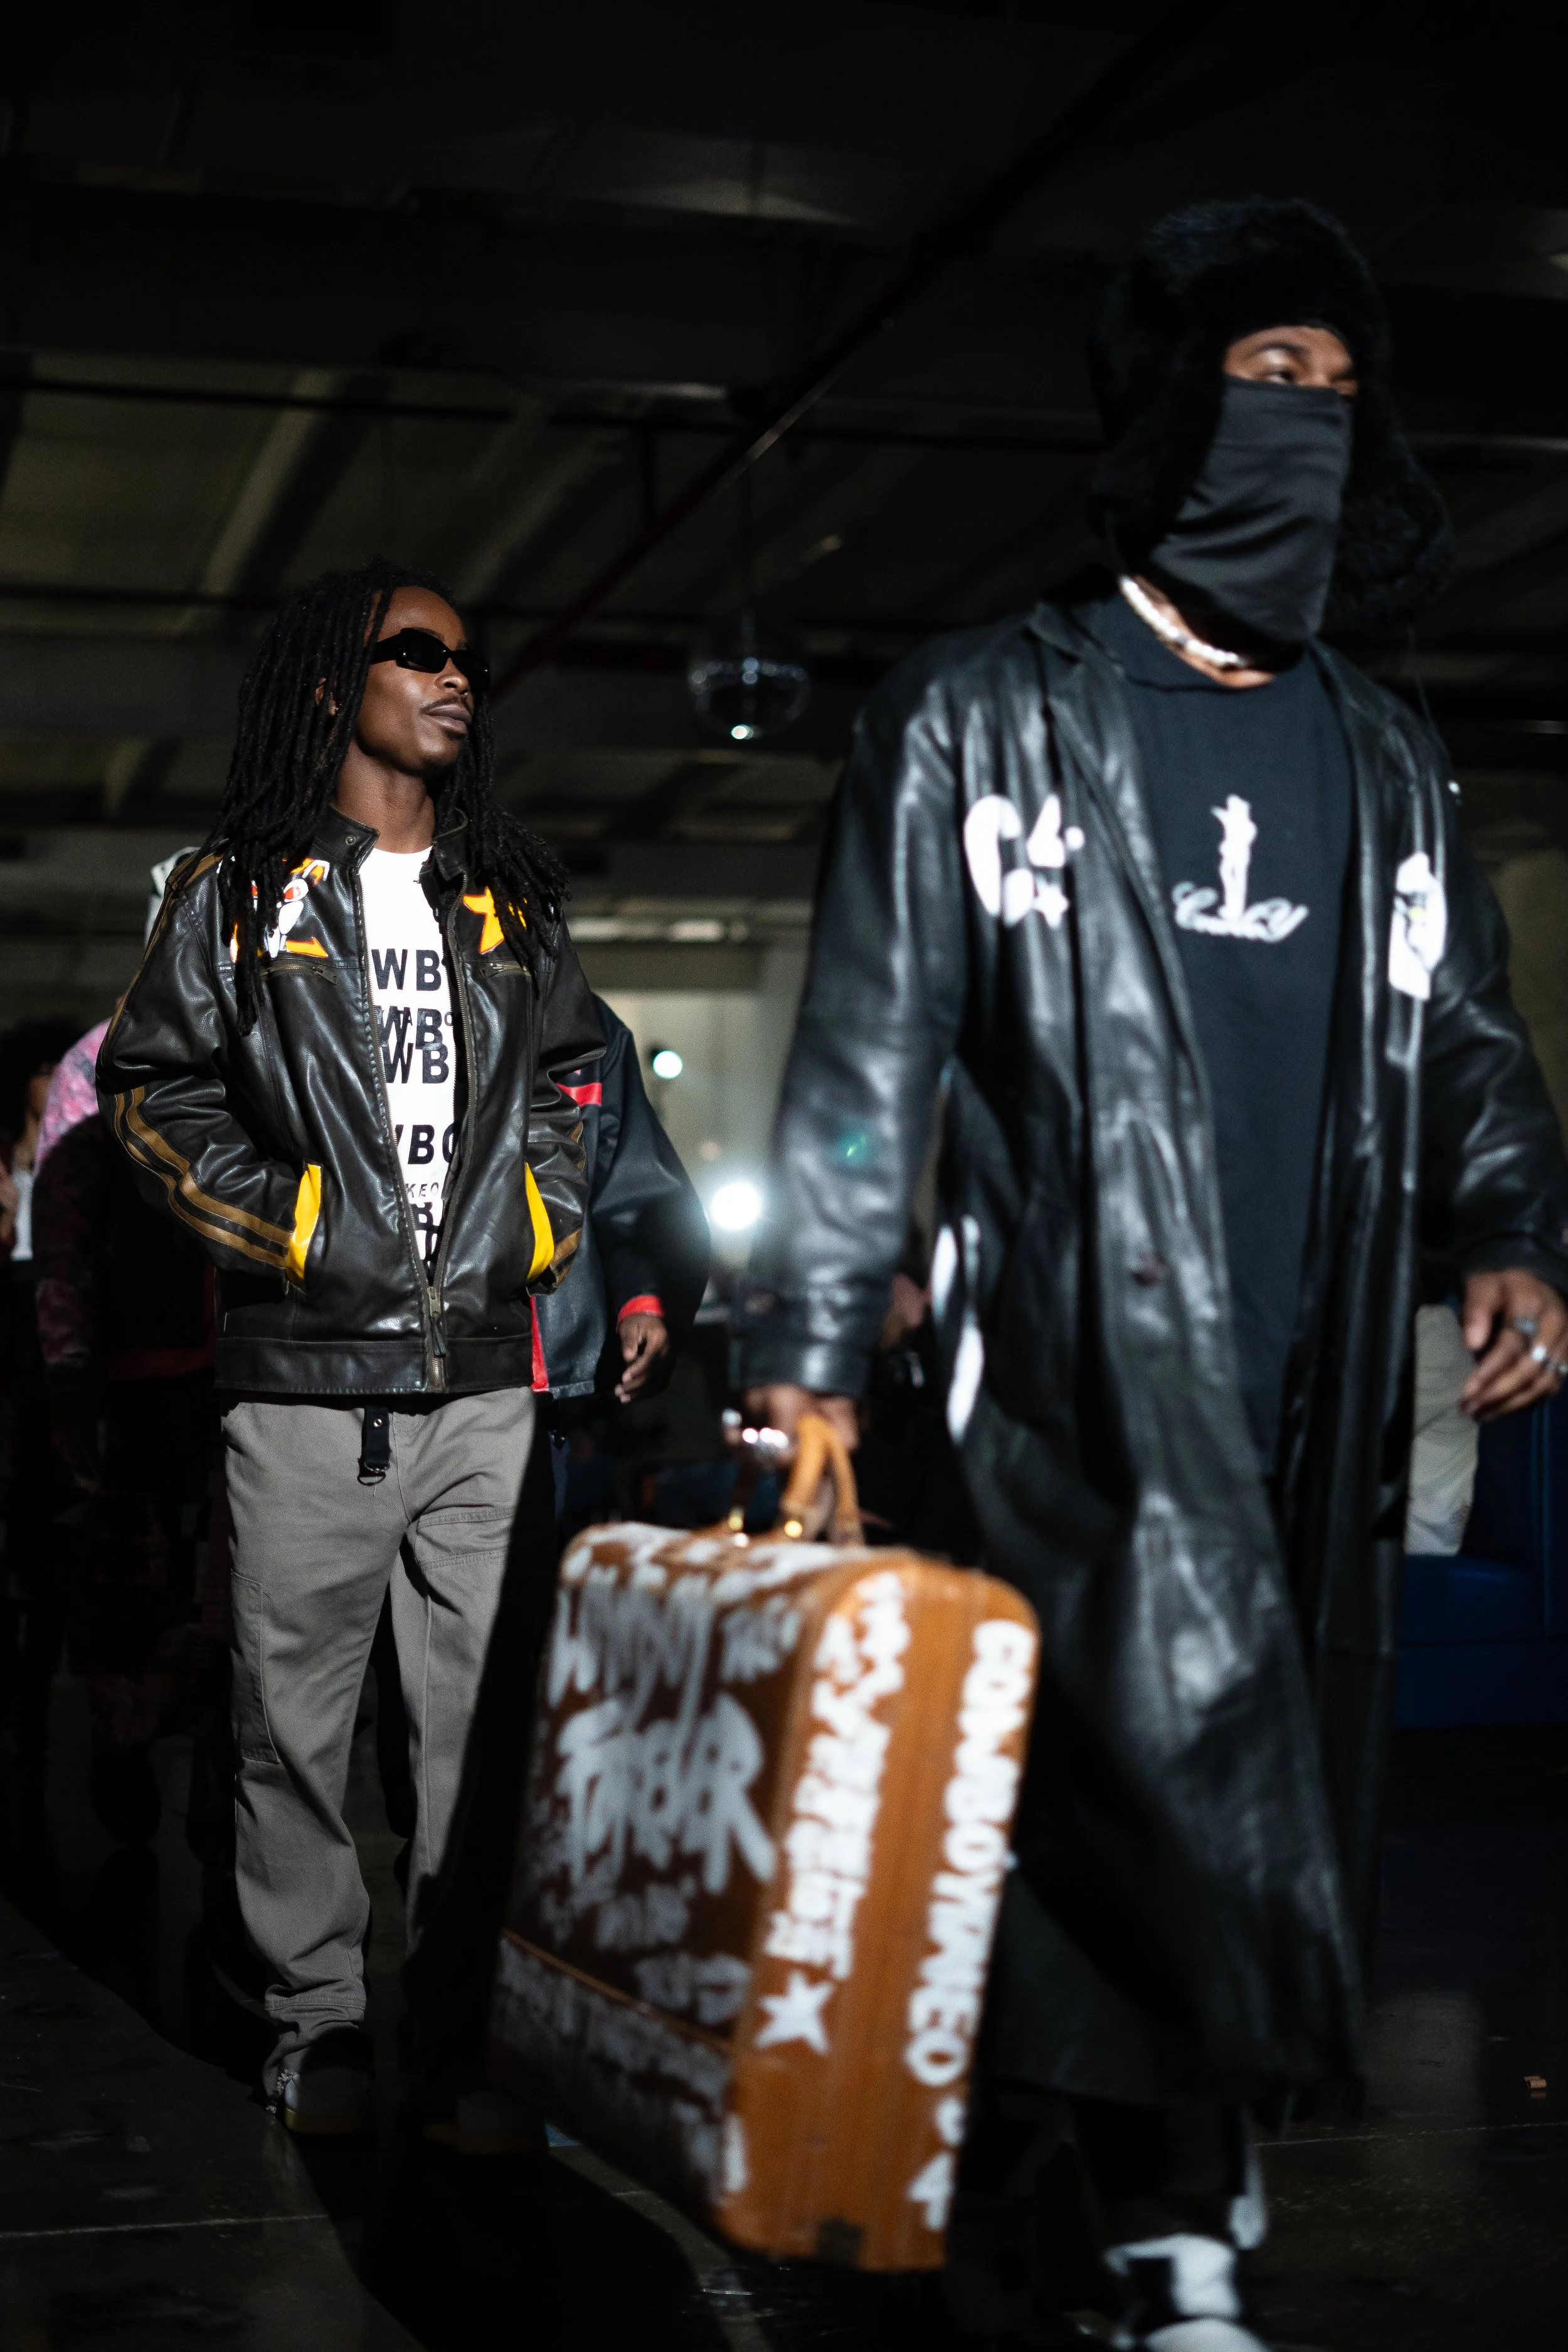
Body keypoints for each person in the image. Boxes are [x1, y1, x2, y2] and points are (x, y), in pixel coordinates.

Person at [741, 198, 1568, 2351]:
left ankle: (1112, 2158)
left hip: (1314, 1378)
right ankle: (1175, 2215)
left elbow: (1467, 1028)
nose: (1304, 419)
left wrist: (1510, 1224)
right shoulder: (975, 717)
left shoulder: (1383, 754)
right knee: (1138, 1769)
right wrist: (812, 1338)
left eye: (1339, 389)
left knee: (1213, 1778)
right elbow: (866, 1054)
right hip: (1060, 1372)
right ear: (1167, 406)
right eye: (1263, 376)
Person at [98, 557, 600, 2144]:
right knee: (292, 1735)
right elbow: (152, 1093)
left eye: (468, 660)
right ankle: (317, 2026)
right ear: (334, 683)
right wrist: (307, 1230)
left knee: (481, 1739)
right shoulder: (239, 893)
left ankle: (463, 2044)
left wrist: (538, 1219)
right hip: (310, 1389)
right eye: (419, 652)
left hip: (485, 1388)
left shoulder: (506, 897)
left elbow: (577, 1086)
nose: (456, 678)